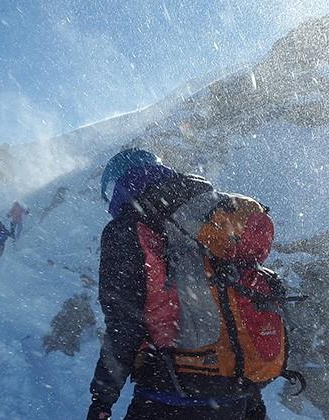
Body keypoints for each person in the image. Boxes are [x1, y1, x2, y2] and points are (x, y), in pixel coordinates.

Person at [88, 148, 273, 420]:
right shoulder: (209, 212)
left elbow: (124, 324)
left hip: (172, 390)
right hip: (237, 390)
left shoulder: (128, 229)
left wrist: (101, 401)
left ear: (118, 185)